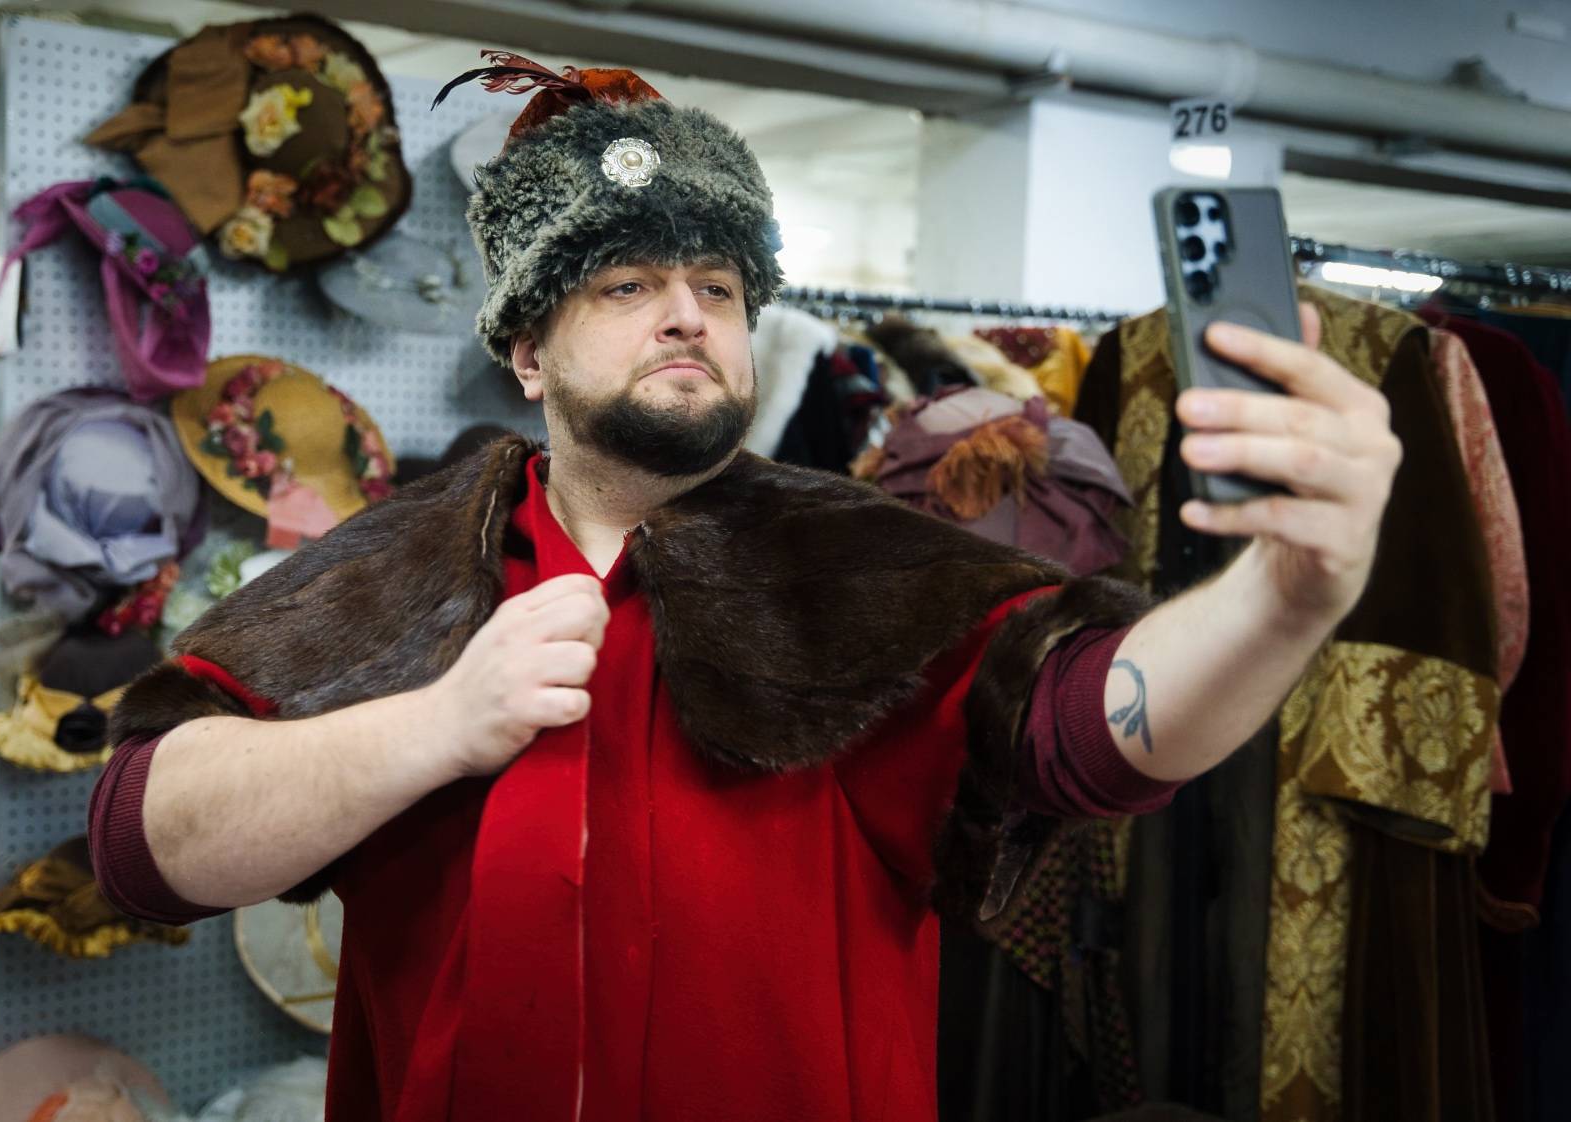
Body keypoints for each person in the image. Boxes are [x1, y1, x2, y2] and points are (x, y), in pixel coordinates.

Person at [90, 54, 1402, 1122]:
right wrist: (437, 724)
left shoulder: (868, 568)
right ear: (528, 352)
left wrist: (1285, 595)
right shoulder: (394, 571)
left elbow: (1094, 728)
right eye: (627, 283)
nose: (687, 313)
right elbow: (145, 843)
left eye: (717, 286)